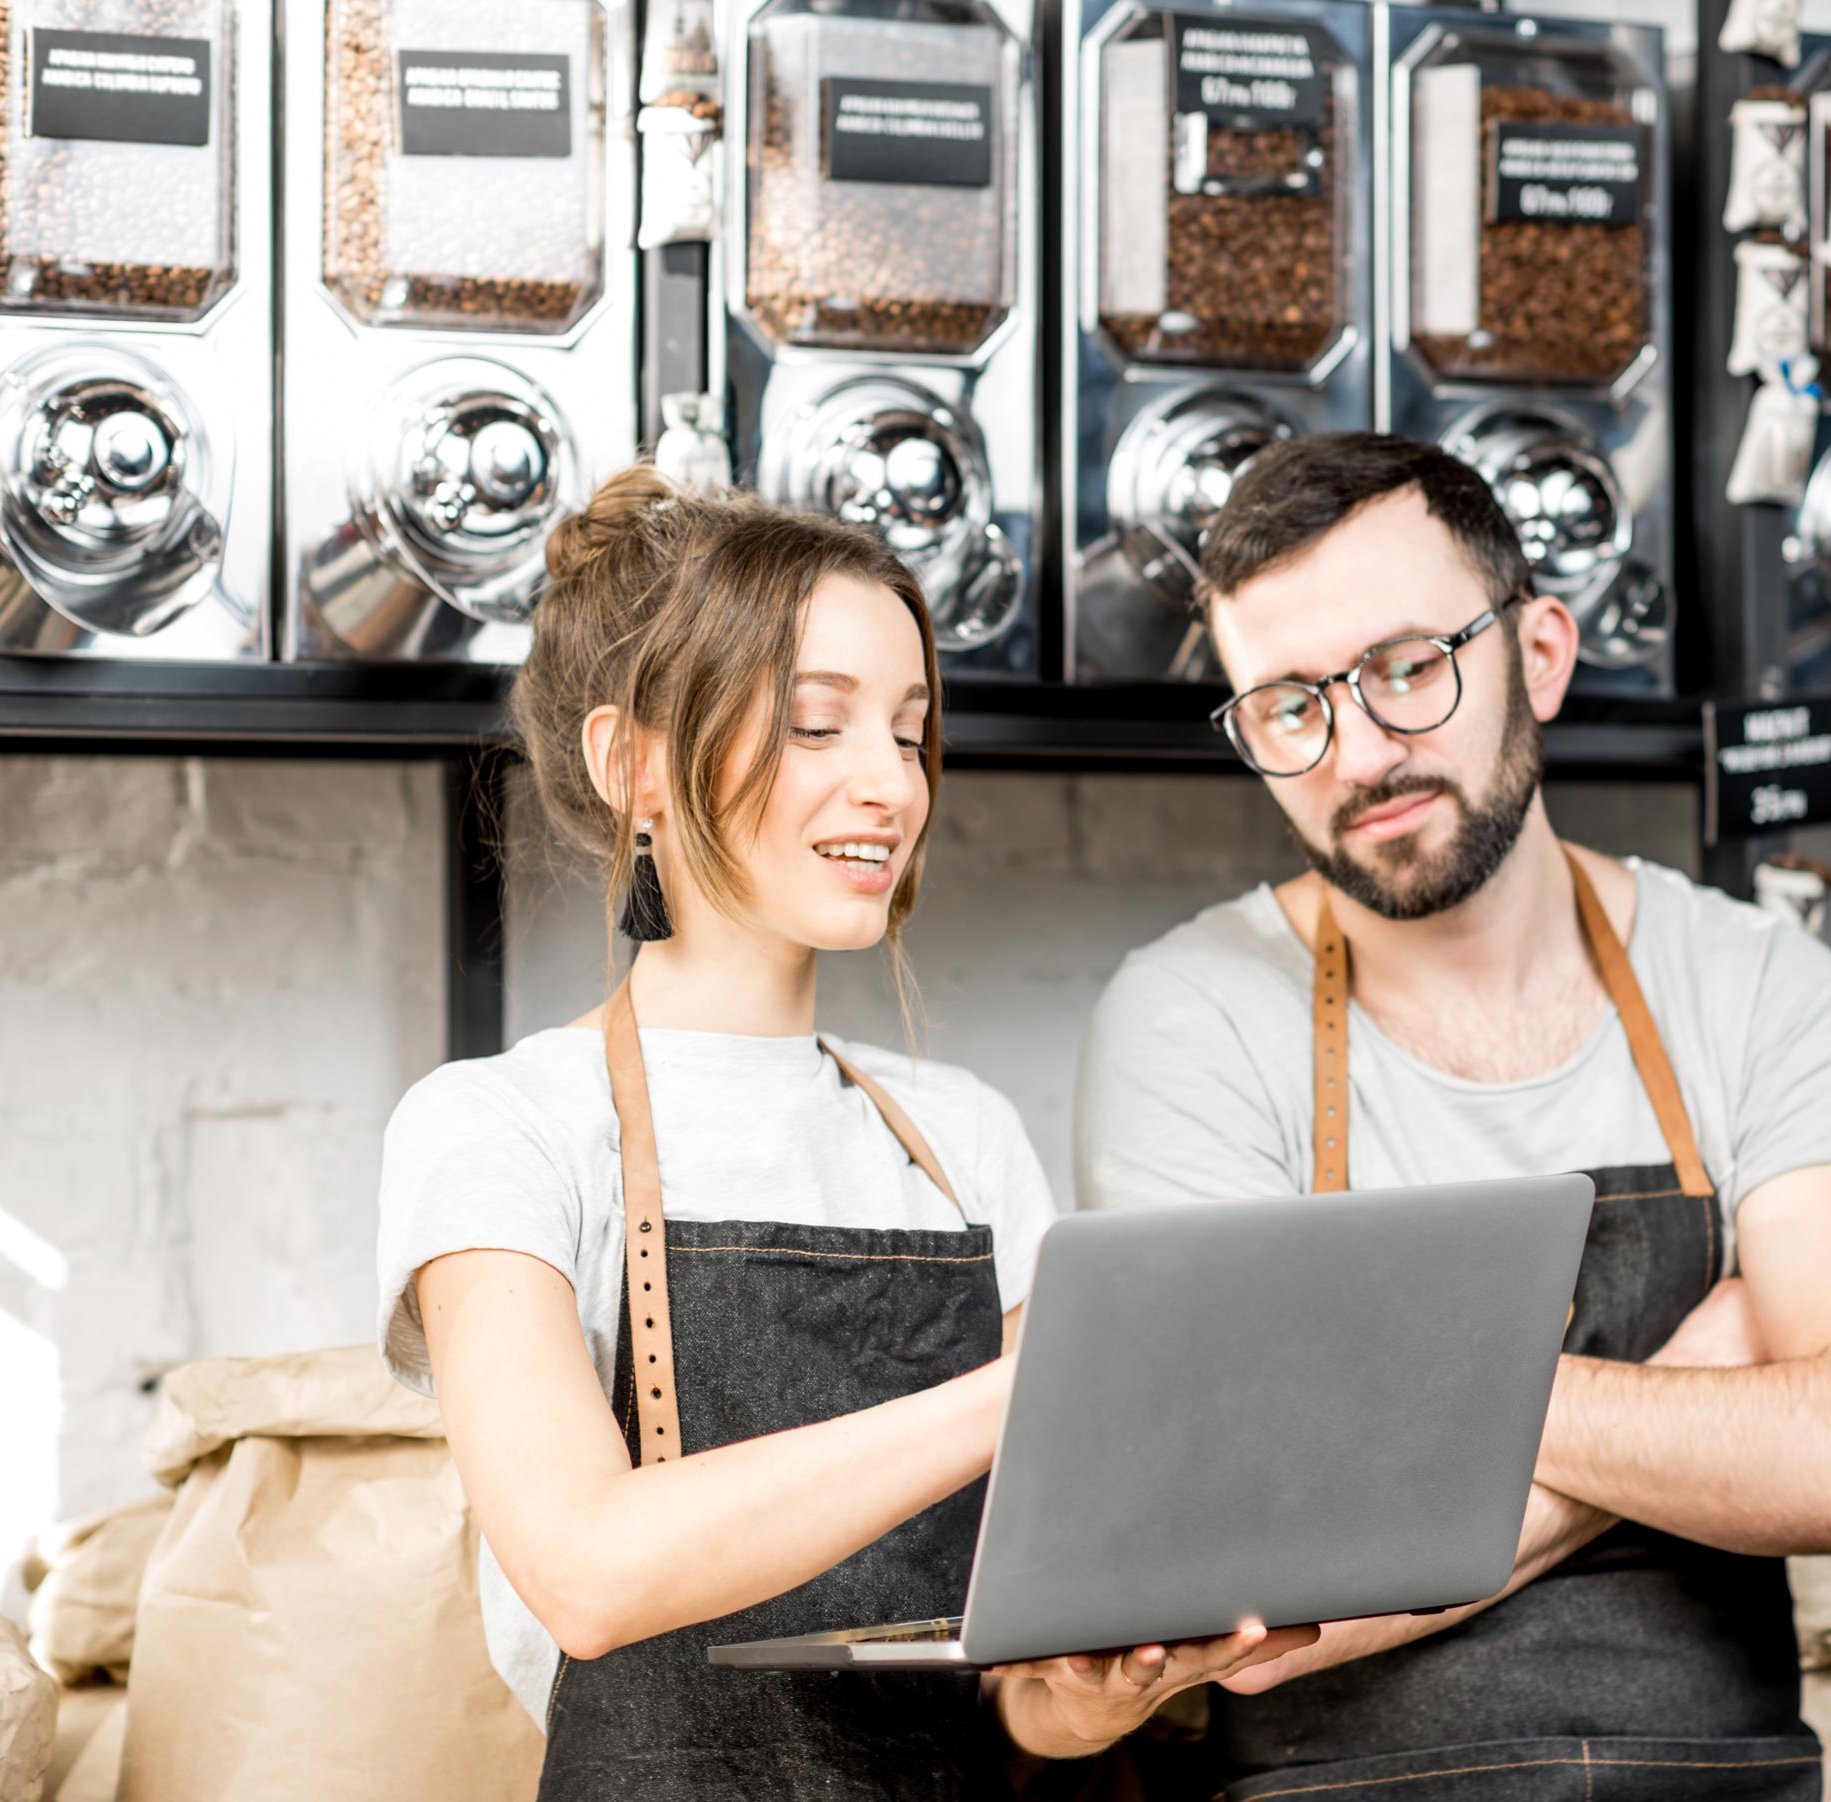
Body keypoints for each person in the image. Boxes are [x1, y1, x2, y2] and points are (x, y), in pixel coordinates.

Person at [376, 468, 1310, 1801]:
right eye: (818, 725)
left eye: (910, 730)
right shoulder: (501, 1127)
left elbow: (1014, 1698)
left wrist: (1097, 1690)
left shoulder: (961, 1138)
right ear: (631, 763)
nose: (890, 783)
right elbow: (588, 1569)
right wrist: (1023, 1392)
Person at [1074, 434, 1831, 1802]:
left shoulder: (1757, 981)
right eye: (1289, 705)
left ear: (1539, 653)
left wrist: (1389, 1406)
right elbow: (1245, 1605)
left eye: (1407, 668)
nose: (1360, 751)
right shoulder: (1191, 1014)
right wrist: (1700, 1383)